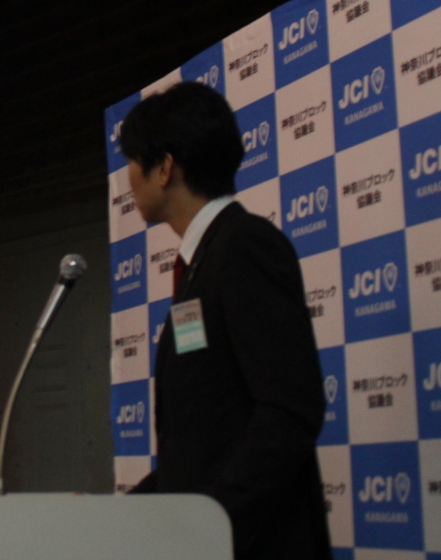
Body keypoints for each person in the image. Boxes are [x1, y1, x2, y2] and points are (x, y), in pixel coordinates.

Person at [122, 81, 330, 560]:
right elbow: (205, 441)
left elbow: (289, 411)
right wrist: (122, 512)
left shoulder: (243, 246)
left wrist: (211, 524)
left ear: (165, 168)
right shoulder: (203, 262)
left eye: (133, 159)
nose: (127, 177)